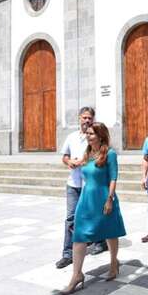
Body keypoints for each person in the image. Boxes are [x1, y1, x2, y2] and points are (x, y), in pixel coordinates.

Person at [61, 122, 126, 295]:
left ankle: (114, 263)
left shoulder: (110, 154)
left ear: (100, 135)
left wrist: (110, 199)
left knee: (110, 232)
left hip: (104, 197)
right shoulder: (88, 153)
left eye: (91, 133)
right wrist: (71, 161)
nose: (87, 136)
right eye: (87, 133)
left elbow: (113, 178)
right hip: (86, 199)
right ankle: (77, 275)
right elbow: (79, 164)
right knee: (79, 235)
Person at [56, 106, 93, 269]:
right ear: (79, 118)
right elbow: (64, 156)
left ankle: (100, 241)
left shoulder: (95, 137)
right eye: (84, 117)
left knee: (92, 215)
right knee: (70, 218)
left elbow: (99, 156)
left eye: (89, 118)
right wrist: (69, 162)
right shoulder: (71, 137)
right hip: (73, 184)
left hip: (89, 184)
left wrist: (83, 161)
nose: (87, 120)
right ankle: (67, 254)